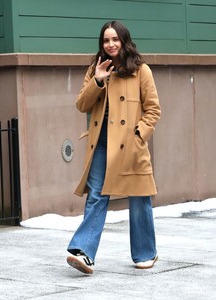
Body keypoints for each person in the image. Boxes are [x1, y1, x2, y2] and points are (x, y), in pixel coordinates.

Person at [67, 20, 161, 274]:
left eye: (115, 39)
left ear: (124, 41)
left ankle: (145, 252)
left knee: (139, 196)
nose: (110, 44)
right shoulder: (95, 70)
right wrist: (97, 80)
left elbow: (153, 110)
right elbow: (82, 105)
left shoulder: (141, 71)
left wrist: (139, 135)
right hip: (102, 143)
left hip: (131, 144)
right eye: (106, 40)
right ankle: (83, 251)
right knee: (96, 194)